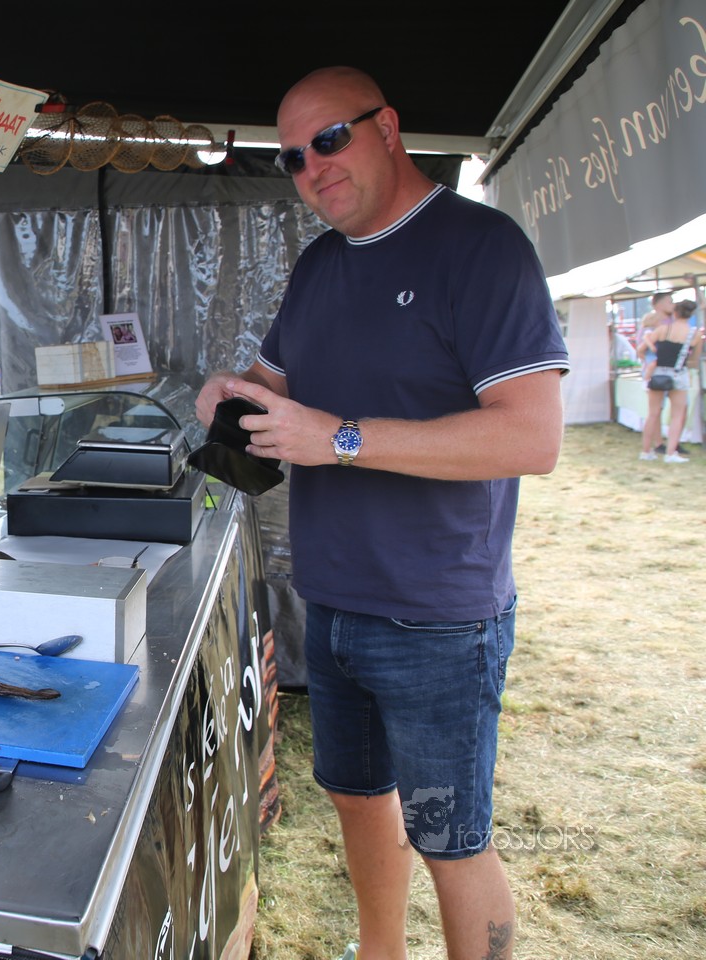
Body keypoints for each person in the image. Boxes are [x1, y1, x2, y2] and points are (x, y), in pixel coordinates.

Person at [196, 67, 568, 960]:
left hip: (438, 612)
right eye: (292, 157)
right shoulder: (319, 265)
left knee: (451, 836)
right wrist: (230, 393)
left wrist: (341, 439)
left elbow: (532, 437)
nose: (313, 167)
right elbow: (273, 387)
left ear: (388, 127)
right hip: (332, 599)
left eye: (330, 139)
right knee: (359, 799)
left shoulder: (481, 248)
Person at [637, 299, 702, 463]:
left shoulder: (662, 330)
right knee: (677, 415)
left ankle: (646, 451)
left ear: (675, 313)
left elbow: (641, 349)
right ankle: (670, 453)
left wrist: (649, 362)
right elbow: (694, 360)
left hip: (658, 372)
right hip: (679, 373)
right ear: (690, 315)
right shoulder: (695, 334)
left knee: (653, 413)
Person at [638, 290, 674, 384]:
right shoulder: (649, 322)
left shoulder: (676, 321)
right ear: (659, 305)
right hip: (654, 370)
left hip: (673, 369)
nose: (673, 305)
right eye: (670, 302)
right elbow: (640, 349)